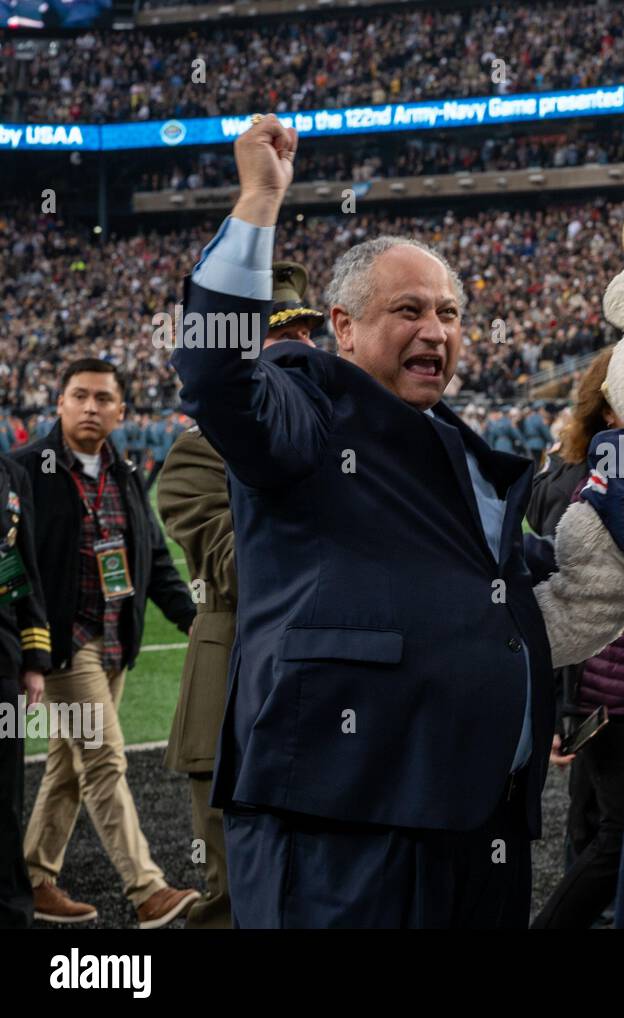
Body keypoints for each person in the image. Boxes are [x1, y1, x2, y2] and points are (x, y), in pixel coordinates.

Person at [171, 114, 555, 928]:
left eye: (450, 314)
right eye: (408, 310)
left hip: (477, 822)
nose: (436, 332)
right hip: (344, 823)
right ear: (341, 327)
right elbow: (213, 378)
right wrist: (258, 202)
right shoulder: (309, 403)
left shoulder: (457, 442)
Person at [155, 261, 327, 930]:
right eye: (281, 338)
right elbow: (234, 568)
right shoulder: (197, 456)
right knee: (237, 905)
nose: (302, 351)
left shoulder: (336, 438)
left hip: (325, 701)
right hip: (236, 708)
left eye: (306, 335)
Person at [11, 358, 199, 928]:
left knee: (68, 765)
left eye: (102, 399)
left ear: (121, 411)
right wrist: (34, 648)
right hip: (67, 646)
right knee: (104, 761)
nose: (90, 407)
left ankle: (36, 877)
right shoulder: (25, 469)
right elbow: (12, 563)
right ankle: (146, 889)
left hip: (118, 642)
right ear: (59, 403)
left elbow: (155, 558)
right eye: (79, 396)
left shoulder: (125, 473)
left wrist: (191, 619)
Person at [529, 349, 624, 930]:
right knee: (619, 832)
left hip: (597, 682)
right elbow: (570, 594)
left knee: (595, 819)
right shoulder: (604, 479)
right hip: (612, 678)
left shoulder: (560, 469)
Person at [0, 453, 52, 929]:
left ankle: (12, 911)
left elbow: (20, 564)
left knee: (6, 795)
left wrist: (35, 658)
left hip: (1, 656)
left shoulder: (12, 473)